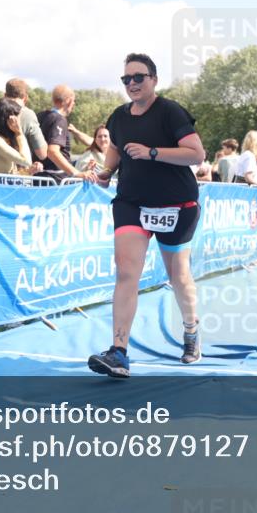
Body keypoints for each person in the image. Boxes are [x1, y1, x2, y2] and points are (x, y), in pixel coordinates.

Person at [89, 53, 206, 378]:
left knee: (178, 277)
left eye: (138, 77)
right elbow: (116, 147)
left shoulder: (170, 111)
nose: (132, 84)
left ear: (153, 79)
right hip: (132, 204)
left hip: (176, 205)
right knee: (126, 272)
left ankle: (191, 330)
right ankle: (119, 352)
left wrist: (153, 153)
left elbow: (196, 154)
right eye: (126, 79)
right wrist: (105, 171)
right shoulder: (119, 116)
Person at [0, 78, 48, 162]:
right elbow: (42, 154)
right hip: (19, 173)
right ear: (26, 98)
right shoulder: (28, 115)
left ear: (4, 95)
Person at [36, 85, 94, 182]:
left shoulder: (40, 116)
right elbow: (52, 151)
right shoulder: (59, 119)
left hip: (39, 178)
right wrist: (76, 173)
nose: (74, 104)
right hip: (55, 182)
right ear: (69, 100)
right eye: (74, 100)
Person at [0, 98, 43, 175]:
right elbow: (26, 161)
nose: (19, 123)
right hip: (1, 186)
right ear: (9, 120)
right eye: (17, 119)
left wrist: (29, 171)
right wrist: (19, 133)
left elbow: (13, 174)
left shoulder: (4, 140)